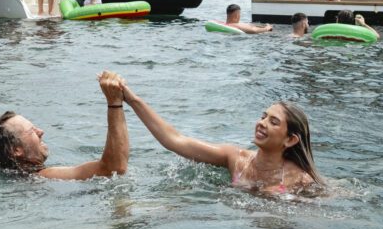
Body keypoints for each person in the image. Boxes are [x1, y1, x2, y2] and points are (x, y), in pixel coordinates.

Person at [117, 80, 323, 194]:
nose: (262, 123)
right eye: (263, 116)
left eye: (273, 122)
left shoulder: (300, 179)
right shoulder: (235, 158)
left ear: (290, 140)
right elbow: (174, 140)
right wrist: (131, 99)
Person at [0, 71, 128, 180]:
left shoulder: (19, 181)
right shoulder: (45, 177)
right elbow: (114, 168)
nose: (41, 131)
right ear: (16, 150)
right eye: (31, 131)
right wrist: (114, 103)